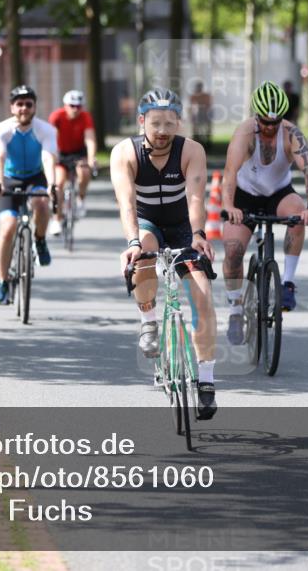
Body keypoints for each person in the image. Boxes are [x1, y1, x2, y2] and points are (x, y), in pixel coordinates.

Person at [110, 88, 218, 420]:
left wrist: (198, 235)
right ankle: (149, 323)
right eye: (155, 123)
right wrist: (132, 243)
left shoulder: (191, 151)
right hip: (146, 224)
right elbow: (127, 204)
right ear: (142, 121)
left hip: (183, 225)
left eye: (169, 124)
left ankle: (207, 383)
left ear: (178, 123)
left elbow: (196, 198)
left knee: (202, 293)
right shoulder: (124, 153)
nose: (162, 131)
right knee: (142, 253)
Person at [221, 81, 308, 345]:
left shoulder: (290, 134)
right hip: (245, 196)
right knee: (232, 249)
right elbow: (229, 174)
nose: (269, 128)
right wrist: (229, 206)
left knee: (298, 215)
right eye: (264, 122)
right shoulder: (244, 133)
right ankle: (235, 309)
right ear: (256, 116)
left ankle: (287, 283)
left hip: (278, 193)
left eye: (275, 123)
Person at [0, 85, 59, 305]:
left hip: (36, 177)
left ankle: (39, 240)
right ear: (11, 107)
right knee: (8, 227)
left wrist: (53, 184)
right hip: (10, 179)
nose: (24, 108)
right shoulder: (1, 130)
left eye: (29, 104)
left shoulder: (46, 129)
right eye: (19, 104)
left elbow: (48, 158)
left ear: (35, 107)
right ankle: (2, 282)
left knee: (41, 204)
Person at [47, 89, 97, 235]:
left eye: (78, 106)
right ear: (65, 105)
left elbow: (90, 138)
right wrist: (51, 155)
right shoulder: (57, 116)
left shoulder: (85, 117)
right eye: (72, 106)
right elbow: (51, 135)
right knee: (58, 184)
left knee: (85, 172)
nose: (75, 109)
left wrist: (91, 157)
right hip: (60, 153)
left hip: (78, 153)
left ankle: (80, 199)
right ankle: (56, 219)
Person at [188, 82, 213, 149]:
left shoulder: (206, 96)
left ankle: (207, 142)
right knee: (196, 128)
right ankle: (197, 140)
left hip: (204, 114)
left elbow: (208, 105)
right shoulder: (194, 96)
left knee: (207, 128)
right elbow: (192, 106)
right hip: (198, 115)